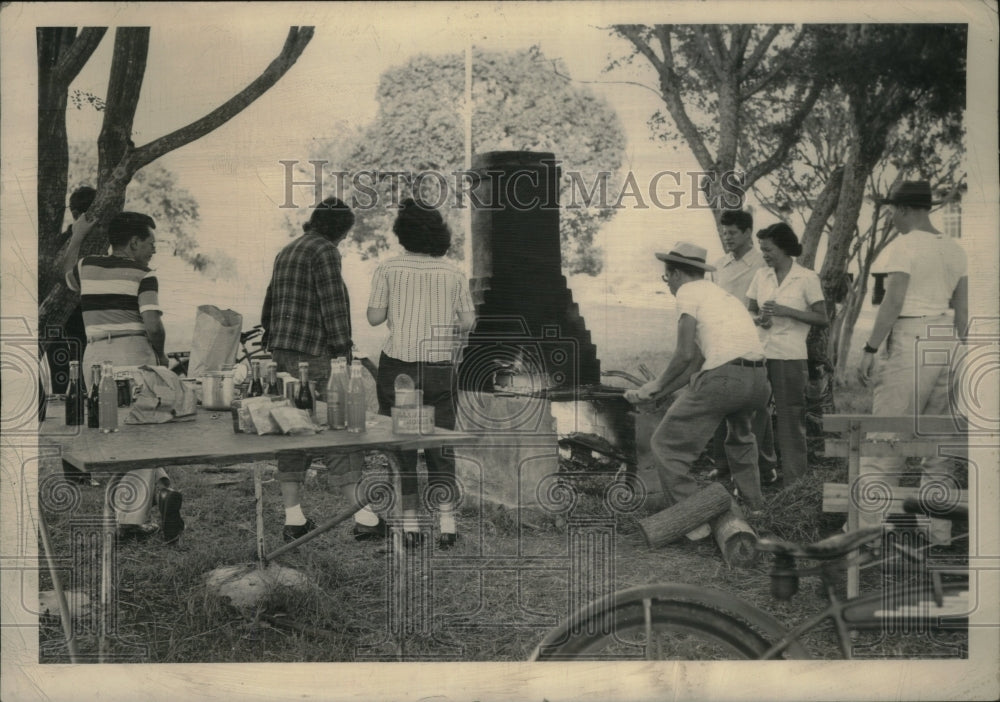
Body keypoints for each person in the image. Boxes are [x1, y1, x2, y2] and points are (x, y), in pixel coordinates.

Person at [260, 197, 382, 542]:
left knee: (293, 430)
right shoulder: (324, 251)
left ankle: (294, 517)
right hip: (314, 355)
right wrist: (343, 352)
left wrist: (275, 345)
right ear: (339, 231)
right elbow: (334, 304)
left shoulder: (287, 250)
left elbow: (269, 305)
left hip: (282, 354)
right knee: (339, 430)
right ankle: (366, 518)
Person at [624, 242, 771, 521]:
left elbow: (684, 354)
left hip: (725, 380)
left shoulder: (687, 293)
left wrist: (655, 386)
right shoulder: (720, 294)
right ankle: (756, 509)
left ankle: (697, 519)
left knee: (666, 446)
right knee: (741, 440)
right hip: (758, 380)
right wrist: (656, 391)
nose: (668, 284)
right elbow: (695, 363)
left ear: (677, 274)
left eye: (667, 278)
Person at [62, 210, 184, 544]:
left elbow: (67, 275)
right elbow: (153, 324)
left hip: (95, 357)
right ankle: (129, 521)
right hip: (132, 355)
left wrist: (76, 235)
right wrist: (160, 355)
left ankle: (162, 492)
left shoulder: (87, 266)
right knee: (143, 435)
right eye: (150, 243)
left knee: (117, 432)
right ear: (134, 242)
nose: (153, 250)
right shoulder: (144, 274)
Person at [857, 180, 967, 545]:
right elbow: (963, 313)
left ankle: (866, 531)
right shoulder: (955, 248)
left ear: (903, 209)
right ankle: (939, 532)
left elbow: (893, 302)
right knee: (938, 443)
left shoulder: (903, 246)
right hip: (948, 339)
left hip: (912, 339)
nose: (890, 216)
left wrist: (870, 349)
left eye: (892, 210)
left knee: (887, 436)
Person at [366, 199, 476, 549]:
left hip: (399, 367)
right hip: (440, 366)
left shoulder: (388, 268)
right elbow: (468, 322)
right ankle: (447, 524)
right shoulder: (454, 272)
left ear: (402, 234)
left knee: (405, 448)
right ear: (438, 234)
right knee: (440, 446)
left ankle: (410, 525)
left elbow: (374, 318)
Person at [746, 223, 827, 484]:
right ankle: (760, 474)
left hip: (790, 356)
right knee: (755, 415)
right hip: (760, 354)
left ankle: (795, 481)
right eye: (762, 249)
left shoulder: (806, 278)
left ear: (783, 248)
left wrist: (786, 311)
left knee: (791, 417)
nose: (764, 255)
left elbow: (822, 318)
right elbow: (749, 309)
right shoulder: (761, 276)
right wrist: (760, 320)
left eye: (768, 249)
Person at [707, 209, 777, 486]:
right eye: (724, 233)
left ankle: (765, 465)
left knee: (757, 406)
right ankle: (724, 465)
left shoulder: (763, 263)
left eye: (733, 233)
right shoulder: (719, 265)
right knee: (723, 401)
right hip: (723, 342)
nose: (727, 238)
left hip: (755, 342)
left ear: (748, 232)